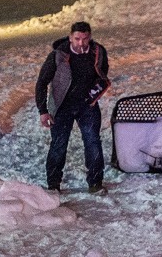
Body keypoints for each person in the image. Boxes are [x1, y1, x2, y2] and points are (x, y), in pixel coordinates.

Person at [35, 21, 111, 194]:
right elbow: (41, 83)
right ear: (70, 37)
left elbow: (103, 74)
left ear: (90, 37)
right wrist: (43, 111)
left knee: (92, 141)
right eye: (77, 39)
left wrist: (93, 94)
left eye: (85, 39)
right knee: (59, 144)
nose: (81, 43)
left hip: (87, 105)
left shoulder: (98, 52)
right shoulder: (58, 55)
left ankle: (95, 183)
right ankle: (53, 185)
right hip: (62, 106)